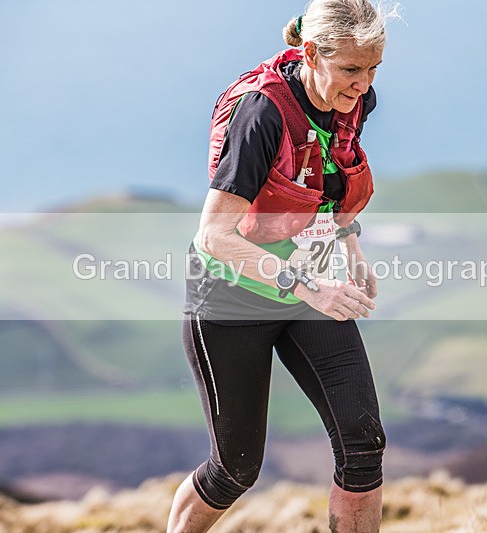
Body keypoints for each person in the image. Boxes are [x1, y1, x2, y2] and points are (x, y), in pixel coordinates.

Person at [167, 1, 400, 531]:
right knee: (235, 470)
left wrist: (349, 247)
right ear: (313, 52)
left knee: (363, 446)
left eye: (373, 69)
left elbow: (327, 179)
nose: (362, 85)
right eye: (350, 69)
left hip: (310, 287)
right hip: (230, 300)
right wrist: (310, 288)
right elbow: (215, 234)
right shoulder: (262, 114)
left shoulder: (354, 101)